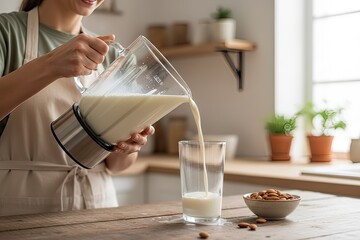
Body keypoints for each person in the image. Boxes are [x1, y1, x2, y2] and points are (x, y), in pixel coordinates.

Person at [0, 0, 155, 216]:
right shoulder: (6, 32)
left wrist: (129, 146)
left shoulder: (113, 56)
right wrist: (51, 65)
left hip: (98, 208)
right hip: (22, 210)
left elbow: (117, 165)